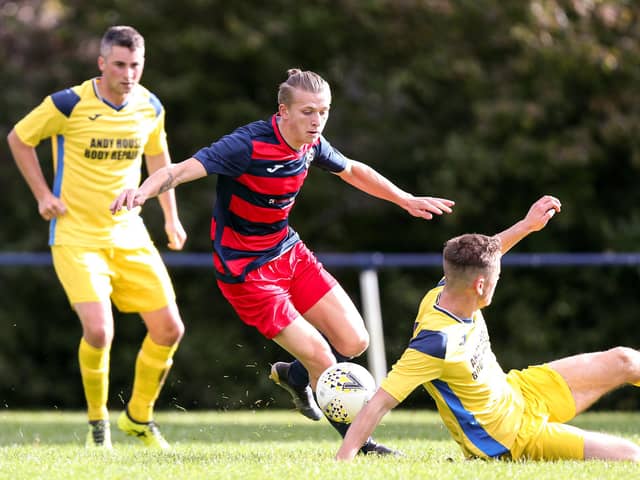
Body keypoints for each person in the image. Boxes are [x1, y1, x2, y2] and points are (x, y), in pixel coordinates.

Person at [110, 68, 455, 454]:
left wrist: (405, 199)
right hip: (246, 271)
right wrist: (142, 192)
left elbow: (353, 170)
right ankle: (360, 443)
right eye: (308, 112)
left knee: (355, 341)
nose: (317, 121)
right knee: (323, 357)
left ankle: (294, 374)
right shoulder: (246, 145)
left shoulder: (313, 143)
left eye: (323, 111)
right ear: (283, 111)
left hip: (287, 251)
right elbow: (180, 170)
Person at [336, 195, 640, 462]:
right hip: (509, 439)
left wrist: (527, 225)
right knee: (631, 455)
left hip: (519, 391)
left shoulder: (446, 289)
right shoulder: (435, 343)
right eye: (496, 279)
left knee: (625, 359)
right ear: (480, 285)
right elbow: (378, 404)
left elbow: (489, 254)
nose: (497, 282)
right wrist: (343, 461)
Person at [7, 25, 186, 449]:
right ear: (102, 63)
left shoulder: (149, 106)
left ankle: (138, 419)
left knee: (169, 330)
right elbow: (19, 138)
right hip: (77, 237)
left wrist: (170, 217)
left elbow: (159, 157)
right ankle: (97, 425)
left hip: (130, 233)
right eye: (120, 64)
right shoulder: (68, 103)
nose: (128, 73)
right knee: (100, 331)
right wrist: (42, 195)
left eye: (135, 65)